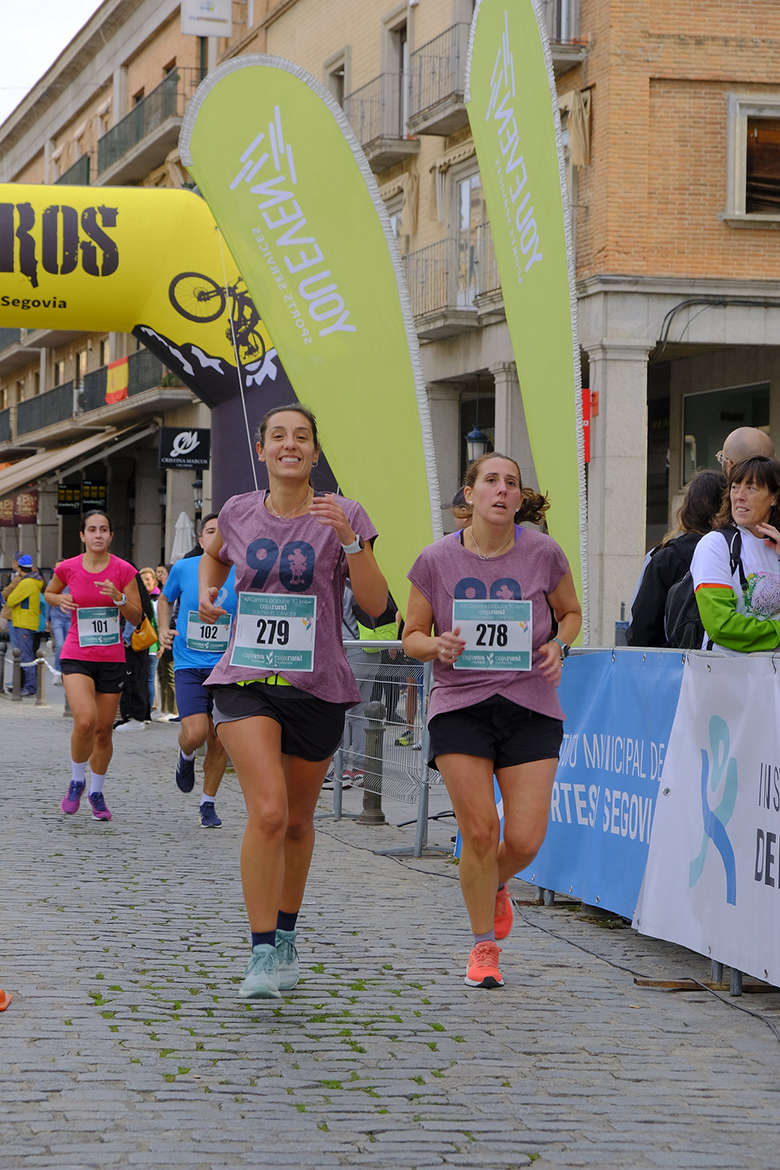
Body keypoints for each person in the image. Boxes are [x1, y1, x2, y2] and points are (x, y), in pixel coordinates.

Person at [198, 404, 387, 999]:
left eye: (301, 437)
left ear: (314, 451)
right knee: (271, 812)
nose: (289, 445)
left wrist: (352, 542)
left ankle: (284, 936)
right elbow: (217, 554)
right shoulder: (237, 511)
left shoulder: (343, 513)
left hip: (318, 686)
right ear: (262, 450)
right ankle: (258, 953)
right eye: (277, 436)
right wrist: (207, 591)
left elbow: (379, 609)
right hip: (245, 679)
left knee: (300, 823)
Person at [402, 453, 582, 991]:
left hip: (530, 703)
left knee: (524, 839)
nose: (502, 491)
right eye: (491, 481)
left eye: (512, 483)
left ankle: (494, 882)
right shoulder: (435, 560)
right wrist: (438, 644)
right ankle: (483, 946)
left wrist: (558, 645)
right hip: (460, 704)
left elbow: (571, 612)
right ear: (470, 493)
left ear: (520, 497)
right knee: (480, 831)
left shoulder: (544, 552)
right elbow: (410, 636)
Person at [43, 511, 141, 820]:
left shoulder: (124, 570)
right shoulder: (68, 567)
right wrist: (58, 601)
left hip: (111, 658)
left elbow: (138, 618)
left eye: (104, 530)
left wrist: (120, 599)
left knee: (102, 731)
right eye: (92, 530)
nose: (98, 535)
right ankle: (76, 781)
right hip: (77, 652)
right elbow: (50, 592)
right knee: (84, 720)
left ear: (111, 536)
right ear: (83, 536)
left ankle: (96, 792)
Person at [157, 513, 238, 827]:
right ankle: (186, 755)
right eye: (211, 531)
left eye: (224, 531)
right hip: (190, 665)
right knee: (195, 733)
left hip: (227, 668)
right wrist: (164, 629)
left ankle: (208, 803)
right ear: (202, 539)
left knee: (220, 739)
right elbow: (164, 600)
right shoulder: (184, 568)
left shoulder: (241, 572)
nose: (218, 536)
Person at [626, 469, 726, 647]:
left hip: (674, 667)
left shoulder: (665, 558)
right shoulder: (737, 553)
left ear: (687, 508)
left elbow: (642, 629)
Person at [692, 456, 780, 654]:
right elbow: (721, 625)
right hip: (727, 677)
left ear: (774, 497)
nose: (739, 496)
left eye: (751, 488)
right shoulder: (715, 545)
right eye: (734, 487)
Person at [5, 553, 43, 696]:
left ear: (19, 567)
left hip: (23, 622)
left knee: (26, 656)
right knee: (28, 655)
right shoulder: (36, 580)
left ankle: (30, 687)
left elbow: (11, 600)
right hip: (30, 621)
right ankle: (28, 685)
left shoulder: (26, 582)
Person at [140, 567, 161, 715]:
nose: (145, 582)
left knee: (148, 679)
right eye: (142, 580)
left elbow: (161, 625)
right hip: (138, 645)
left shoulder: (160, 601)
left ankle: (147, 712)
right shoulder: (136, 598)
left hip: (153, 646)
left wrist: (162, 646)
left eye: (148, 579)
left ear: (154, 581)